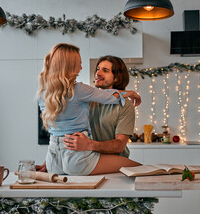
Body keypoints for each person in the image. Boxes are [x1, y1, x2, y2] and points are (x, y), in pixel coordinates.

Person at [38, 43, 140, 176]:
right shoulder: (83, 94)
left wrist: (88, 145)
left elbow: (120, 145)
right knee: (140, 168)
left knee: (137, 170)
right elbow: (112, 96)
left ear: (117, 77)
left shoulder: (46, 92)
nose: (97, 73)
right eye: (98, 69)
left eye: (105, 70)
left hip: (63, 161)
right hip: (80, 160)